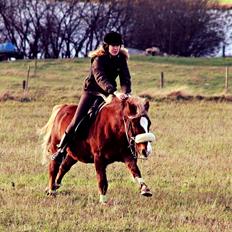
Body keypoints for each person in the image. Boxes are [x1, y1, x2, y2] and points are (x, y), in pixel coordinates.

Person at [52, 31, 132, 163]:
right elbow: (101, 78)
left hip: (107, 95)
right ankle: (61, 149)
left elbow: (126, 78)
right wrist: (115, 92)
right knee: (77, 119)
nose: (116, 48)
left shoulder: (121, 59)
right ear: (107, 46)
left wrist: (126, 92)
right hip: (91, 92)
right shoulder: (98, 59)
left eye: (118, 45)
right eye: (113, 45)